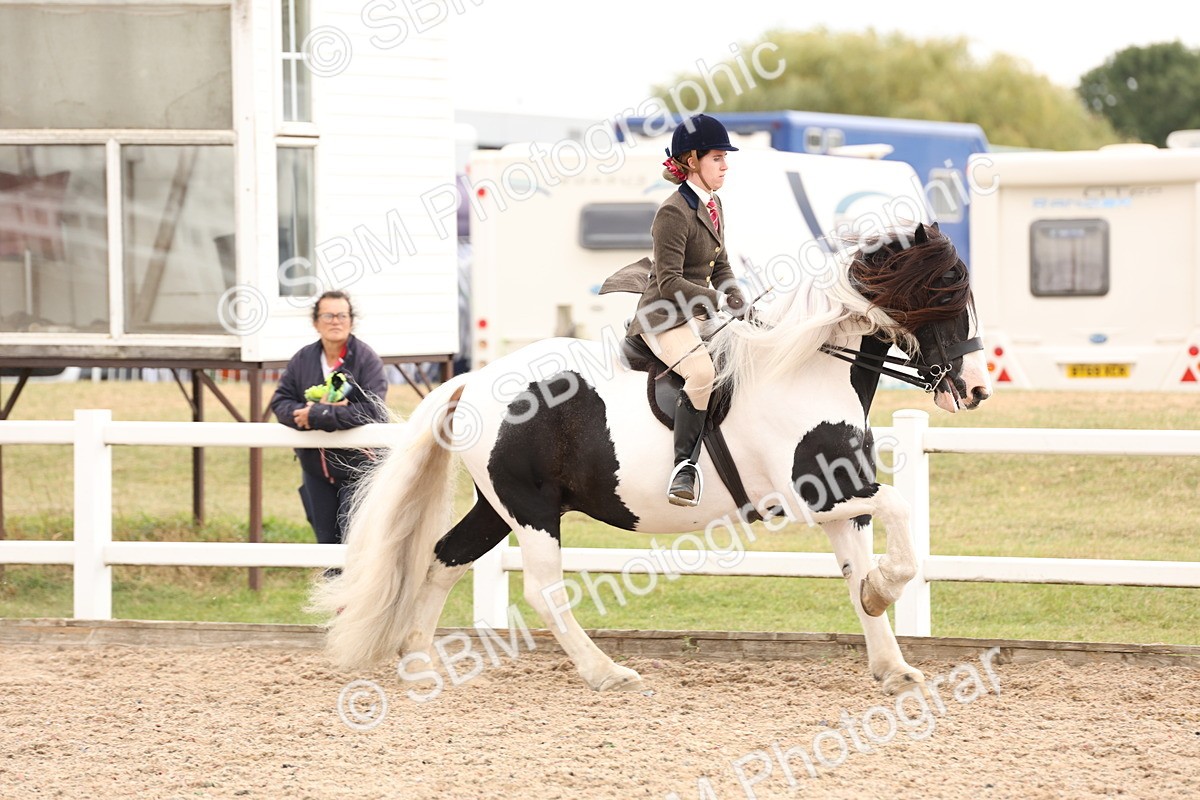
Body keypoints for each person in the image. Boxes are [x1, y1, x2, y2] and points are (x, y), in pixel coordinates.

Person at [625, 114, 747, 507]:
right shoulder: (673, 212)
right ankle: (684, 469)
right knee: (702, 371)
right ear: (692, 160)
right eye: (717, 158)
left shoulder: (715, 204)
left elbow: (722, 265)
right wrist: (716, 301)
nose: (725, 165)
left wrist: (741, 301)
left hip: (697, 311)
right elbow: (670, 281)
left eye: (725, 158)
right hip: (664, 314)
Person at [270, 291, 388, 553]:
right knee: (325, 547)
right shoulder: (303, 359)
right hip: (315, 470)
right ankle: (332, 594)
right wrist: (300, 414)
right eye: (328, 315)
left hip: (358, 469)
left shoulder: (366, 359)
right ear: (316, 322)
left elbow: (373, 411)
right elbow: (280, 402)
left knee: (353, 544)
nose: (336, 321)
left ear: (351, 321)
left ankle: (360, 595)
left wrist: (319, 415)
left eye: (342, 315)